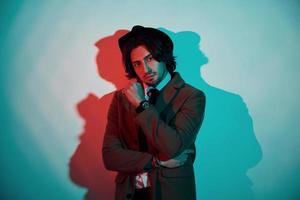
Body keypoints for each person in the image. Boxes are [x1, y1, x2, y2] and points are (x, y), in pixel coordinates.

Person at [102, 25, 206, 200]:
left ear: (164, 57)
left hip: (170, 193)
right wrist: (155, 161)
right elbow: (110, 156)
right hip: (129, 193)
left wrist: (142, 105)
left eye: (150, 59)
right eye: (137, 64)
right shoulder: (121, 98)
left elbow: (172, 147)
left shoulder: (192, 96)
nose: (145, 70)